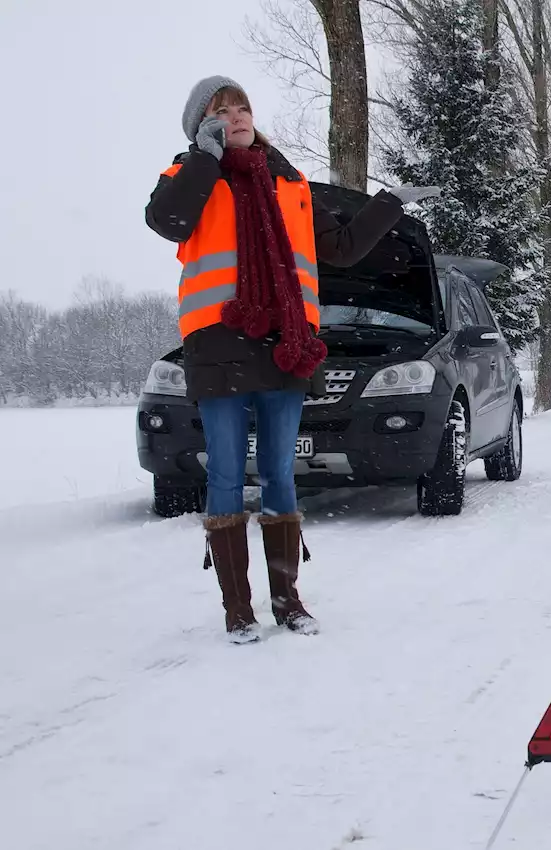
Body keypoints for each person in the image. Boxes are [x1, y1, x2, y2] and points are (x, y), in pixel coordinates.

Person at [145, 76, 433, 644]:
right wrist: (205, 156)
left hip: (285, 344)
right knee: (226, 473)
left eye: (241, 106)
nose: (235, 115)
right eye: (219, 110)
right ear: (201, 125)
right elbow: (168, 221)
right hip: (220, 344)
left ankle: (287, 599)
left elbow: (341, 249)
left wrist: (390, 203)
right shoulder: (189, 177)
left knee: (279, 471)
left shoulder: (289, 181)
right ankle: (237, 609)